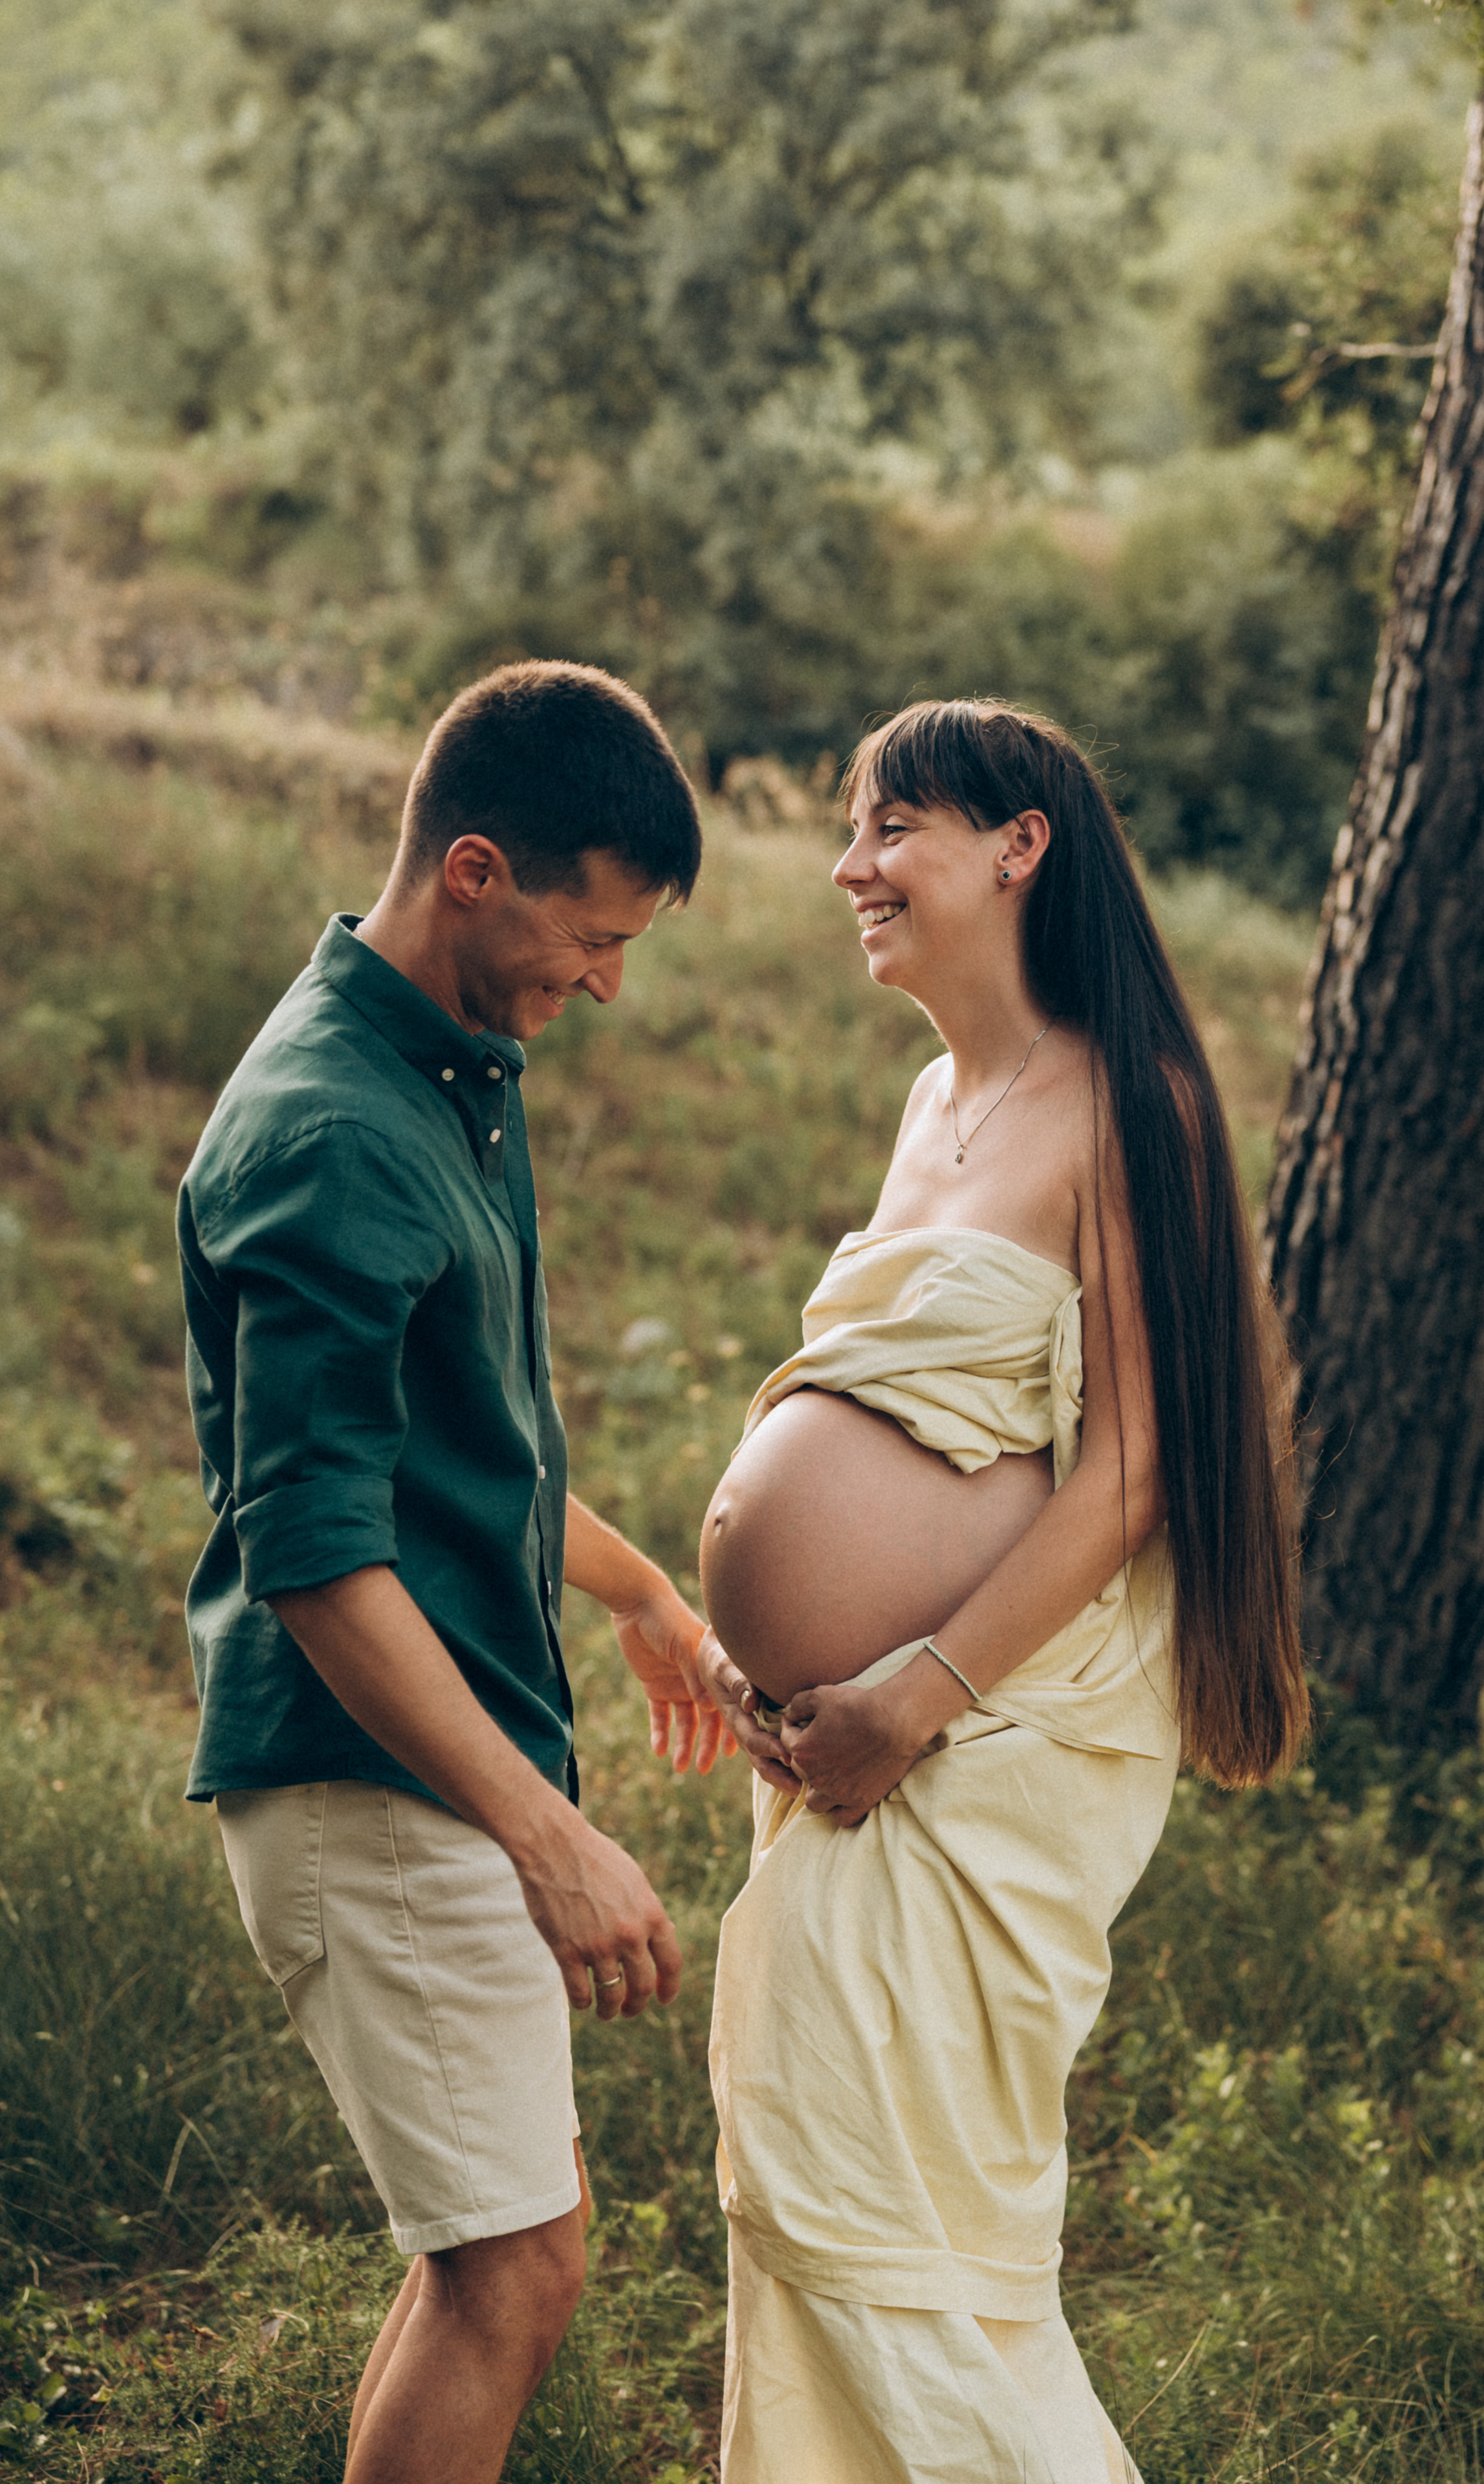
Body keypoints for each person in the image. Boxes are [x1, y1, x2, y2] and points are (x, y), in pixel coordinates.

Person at [693, 698, 1309, 2483]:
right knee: (805, 2201)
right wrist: (774, 1658)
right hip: (850, 1746)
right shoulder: (930, 1102)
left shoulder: (1139, 1110)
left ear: (1018, 842)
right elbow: (896, 1410)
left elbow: (1134, 1464)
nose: (849, 869)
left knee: (915, 2249)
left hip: (979, 1747)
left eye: (890, 830)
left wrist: (912, 1693)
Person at [177, 660, 729, 2484]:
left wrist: (637, 1587)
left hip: (422, 1772)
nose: (606, 981)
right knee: (514, 2271)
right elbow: (319, 1550)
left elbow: (444, 1450)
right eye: (594, 934)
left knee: (499, 2254)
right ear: (476, 871)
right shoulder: (338, 1128)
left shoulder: (439, 1069)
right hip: (373, 1780)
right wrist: (548, 1835)